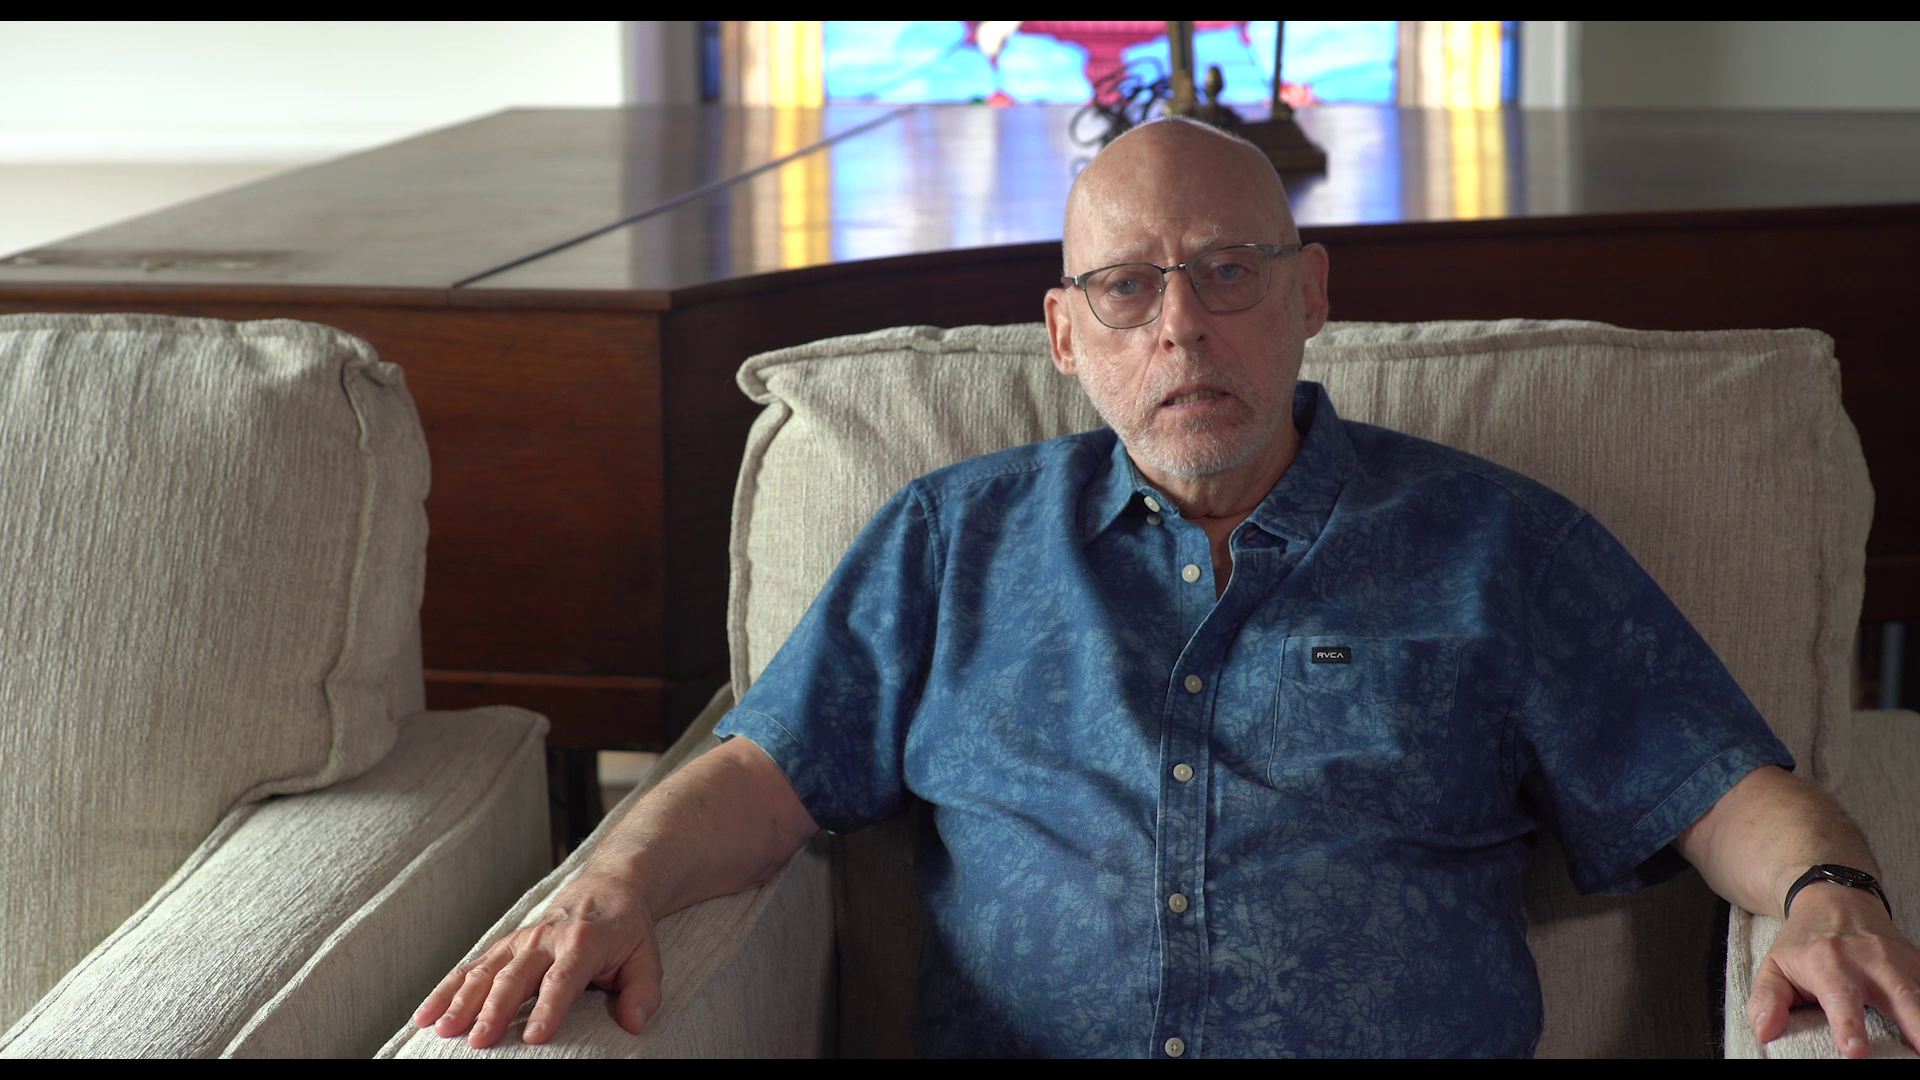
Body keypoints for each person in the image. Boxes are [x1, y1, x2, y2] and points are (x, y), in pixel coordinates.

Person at [414, 117, 1920, 1057]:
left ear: (1310, 294)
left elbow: (1719, 785)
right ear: (1066, 336)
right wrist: (608, 886)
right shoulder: (949, 541)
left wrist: (1829, 897)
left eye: (1228, 272)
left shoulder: (1497, 546)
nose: (1182, 326)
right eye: (1129, 287)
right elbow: (763, 775)